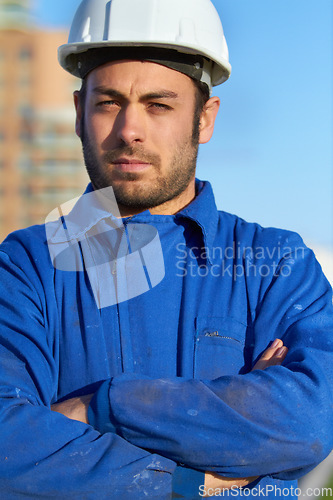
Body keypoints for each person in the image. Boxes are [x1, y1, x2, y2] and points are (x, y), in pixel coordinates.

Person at [0, 0, 332, 498]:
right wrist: (186, 480)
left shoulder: (274, 264)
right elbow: (8, 444)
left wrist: (105, 406)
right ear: (78, 113)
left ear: (204, 119)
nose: (130, 129)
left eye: (159, 105)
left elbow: (308, 421)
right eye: (108, 102)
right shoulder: (28, 266)